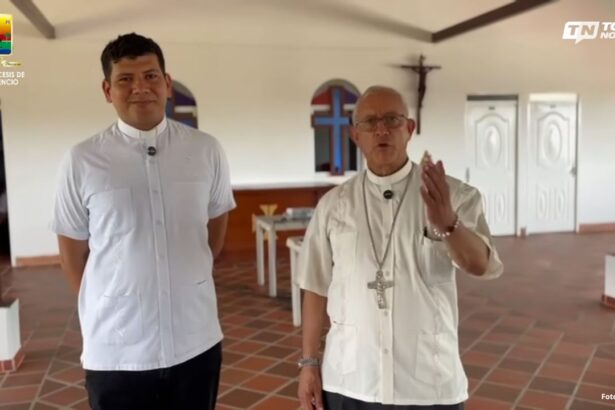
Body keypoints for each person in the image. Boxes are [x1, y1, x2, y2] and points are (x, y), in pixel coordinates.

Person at [50, 33, 235, 410]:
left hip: (195, 340)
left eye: (150, 76)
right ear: (108, 90)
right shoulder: (82, 160)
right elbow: (72, 255)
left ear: (167, 83)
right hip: (117, 350)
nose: (140, 88)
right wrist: (112, 298)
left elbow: (213, 233)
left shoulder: (205, 150)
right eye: (125, 79)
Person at [297, 86, 503, 410]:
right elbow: (315, 286)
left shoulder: (453, 195)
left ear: (409, 129)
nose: (381, 130)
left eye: (392, 120)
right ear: (355, 135)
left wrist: (449, 223)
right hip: (351, 380)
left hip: (429, 382)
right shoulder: (333, 206)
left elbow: (482, 266)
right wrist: (309, 363)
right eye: (370, 122)